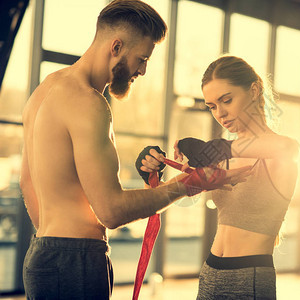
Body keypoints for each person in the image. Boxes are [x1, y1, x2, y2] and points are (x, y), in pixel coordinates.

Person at [19, 1, 250, 299]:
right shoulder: (88, 103)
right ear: (115, 47)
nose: (142, 70)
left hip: (43, 253)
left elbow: (28, 183)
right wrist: (189, 184)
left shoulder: (43, 92)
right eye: (141, 58)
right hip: (74, 261)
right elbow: (111, 212)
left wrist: (55, 243)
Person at [138, 55, 299, 299]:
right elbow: (182, 198)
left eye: (227, 100)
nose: (220, 113)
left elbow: (289, 148)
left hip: (249, 279)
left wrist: (221, 148)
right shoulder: (222, 155)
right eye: (212, 106)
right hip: (211, 273)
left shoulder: (272, 150)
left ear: (254, 91)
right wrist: (152, 175)